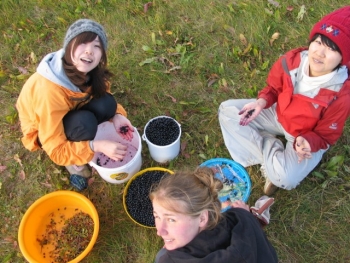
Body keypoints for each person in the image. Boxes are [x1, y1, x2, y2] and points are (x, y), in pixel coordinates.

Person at [218, 6, 350, 195]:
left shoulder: (340, 93)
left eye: (331, 49)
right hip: (277, 114)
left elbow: (326, 136)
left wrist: (308, 141)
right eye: (319, 42)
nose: (320, 52)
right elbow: (273, 88)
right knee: (228, 110)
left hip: (303, 137)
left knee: (285, 178)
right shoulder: (293, 60)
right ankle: (272, 158)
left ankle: (272, 160)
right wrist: (261, 102)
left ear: (343, 59)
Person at [16, 19, 134, 189]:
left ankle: (85, 139)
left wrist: (117, 116)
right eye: (83, 43)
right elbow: (55, 151)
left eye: (96, 46)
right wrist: (96, 146)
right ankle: (73, 161)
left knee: (108, 104)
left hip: (71, 109)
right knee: (85, 124)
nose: (89, 51)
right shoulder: (49, 91)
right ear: (69, 46)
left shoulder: (89, 70)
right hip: (42, 128)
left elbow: (103, 94)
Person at [150, 167, 278, 263]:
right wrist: (246, 217)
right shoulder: (238, 222)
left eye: (171, 220)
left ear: (202, 218)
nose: (160, 232)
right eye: (157, 216)